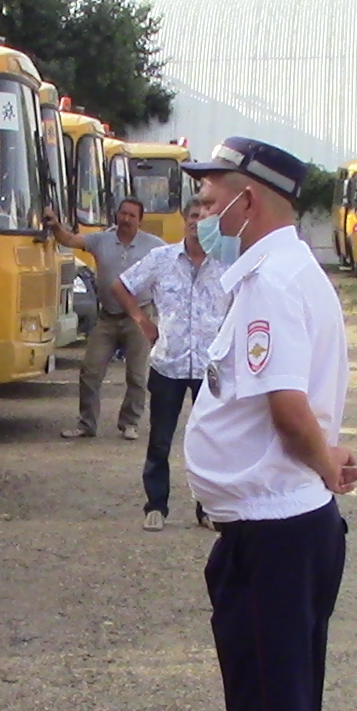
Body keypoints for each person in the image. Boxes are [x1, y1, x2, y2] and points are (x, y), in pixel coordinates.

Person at [175, 137, 357, 711]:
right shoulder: (272, 275)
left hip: (276, 533)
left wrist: (324, 462)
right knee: (274, 708)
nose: (202, 208)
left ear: (253, 197)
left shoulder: (271, 283)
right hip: (273, 526)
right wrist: (326, 460)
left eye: (212, 194)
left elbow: (286, 403)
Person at [105, 196, 228, 530]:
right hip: (168, 363)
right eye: (192, 215)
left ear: (213, 223)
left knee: (209, 441)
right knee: (160, 438)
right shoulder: (161, 259)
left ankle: (208, 509)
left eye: (204, 217)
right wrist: (142, 321)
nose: (196, 221)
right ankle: (155, 505)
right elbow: (121, 285)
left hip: (210, 368)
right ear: (184, 221)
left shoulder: (227, 263)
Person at [46, 197, 164, 439]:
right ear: (116, 215)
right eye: (123, 214)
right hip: (107, 317)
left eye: (132, 215)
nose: (126, 219)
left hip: (139, 316)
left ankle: (130, 423)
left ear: (140, 220)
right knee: (90, 369)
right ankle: (86, 424)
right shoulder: (101, 240)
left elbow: (173, 265)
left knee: (137, 374)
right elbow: (69, 239)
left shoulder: (154, 246)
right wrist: (55, 225)